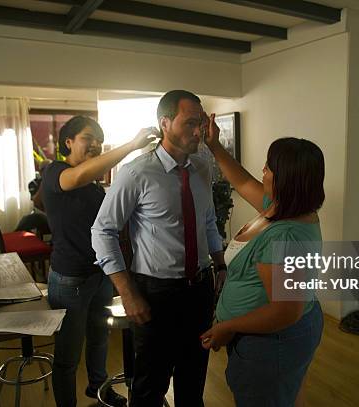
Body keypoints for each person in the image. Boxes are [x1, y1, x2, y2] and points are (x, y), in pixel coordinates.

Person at [91, 90, 226, 407]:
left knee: (193, 384)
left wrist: (220, 264)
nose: (199, 131)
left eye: (202, 123)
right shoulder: (136, 173)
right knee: (150, 387)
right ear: (165, 123)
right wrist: (127, 292)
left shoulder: (202, 167)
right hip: (157, 293)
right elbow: (103, 231)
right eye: (190, 123)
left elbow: (207, 221)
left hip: (200, 290)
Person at [200, 126, 324, 406]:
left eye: (269, 167)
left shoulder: (287, 234)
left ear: (286, 178)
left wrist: (227, 327)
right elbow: (242, 181)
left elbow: (285, 311)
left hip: (273, 343)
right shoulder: (278, 207)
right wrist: (216, 147)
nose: (263, 171)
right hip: (276, 337)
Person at [42, 115, 157, 407]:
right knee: (68, 356)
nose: (95, 144)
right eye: (87, 138)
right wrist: (131, 145)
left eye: (99, 140)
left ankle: (98, 390)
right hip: (69, 279)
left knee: (99, 340)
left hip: (100, 275)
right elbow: (77, 177)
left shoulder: (94, 186)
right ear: (68, 142)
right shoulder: (56, 172)